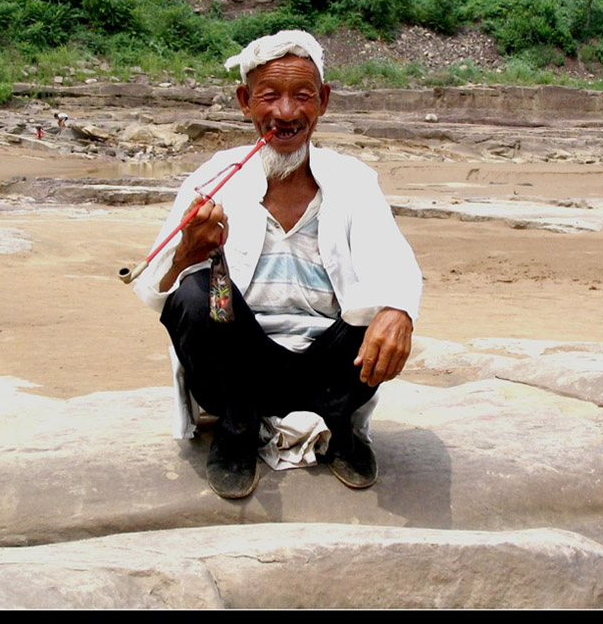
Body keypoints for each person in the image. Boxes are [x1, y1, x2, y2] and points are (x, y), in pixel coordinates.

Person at [134, 30, 422, 499]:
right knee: (198, 291)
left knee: (386, 304)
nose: (285, 114)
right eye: (269, 96)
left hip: (331, 367)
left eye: (302, 97)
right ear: (245, 101)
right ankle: (237, 427)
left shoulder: (353, 181)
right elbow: (156, 288)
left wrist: (399, 310)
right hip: (239, 368)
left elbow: (394, 260)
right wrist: (187, 253)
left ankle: (338, 425)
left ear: (323, 101)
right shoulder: (213, 178)